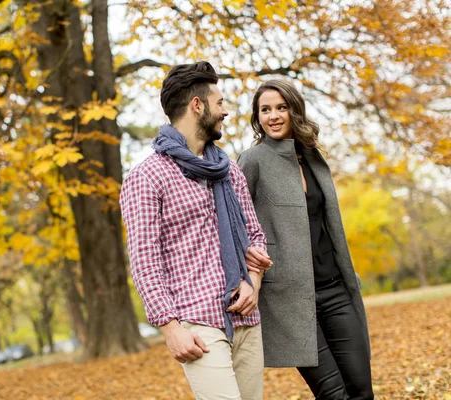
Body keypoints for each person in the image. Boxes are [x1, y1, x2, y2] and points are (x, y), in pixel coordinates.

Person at [120, 61, 272, 400]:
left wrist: (254, 283)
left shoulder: (228, 169)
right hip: (197, 322)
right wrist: (170, 328)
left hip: (246, 316)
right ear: (197, 106)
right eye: (220, 103)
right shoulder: (147, 177)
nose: (226, 112)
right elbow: (145, 263)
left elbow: (256, 236)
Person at [237, 79, 374, 399]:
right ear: (257, 118)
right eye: (265, 110)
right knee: (333, 394)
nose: (273, 116)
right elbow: (233, 220)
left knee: (362, 390)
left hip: (335, 290)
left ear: (294, 110)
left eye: (281, 107)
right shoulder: (253, 160)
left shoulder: (312, 157)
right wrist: (250, 260)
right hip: (290, 298)